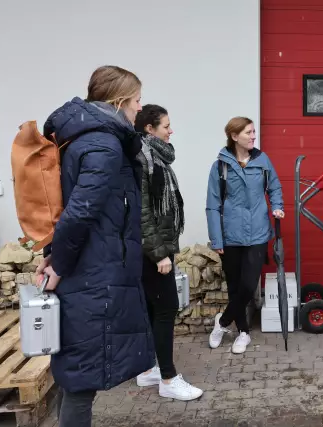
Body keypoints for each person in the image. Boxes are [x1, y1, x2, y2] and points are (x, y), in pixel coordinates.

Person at [36, 65, 155, 427]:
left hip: (91, 268)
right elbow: (81, 210)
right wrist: (58, 263)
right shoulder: (102, 143)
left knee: (76, 378)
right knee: (81, 381)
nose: (139, 108)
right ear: (118, 102)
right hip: (93, 275)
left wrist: (56, 256)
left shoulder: (85, 137)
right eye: (136, 101)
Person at [133, 105, 202, 400]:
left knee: (152, 309)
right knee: (165, 309)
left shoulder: (155, 155)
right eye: (166, 126)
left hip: (157, 247)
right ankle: (168, 379)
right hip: (153, 250)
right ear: (150, 128)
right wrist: (160, 253)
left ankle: (148, 369)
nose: (170, 131)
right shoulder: (142, 158)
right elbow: (143, 211)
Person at [206, 117, 284, 354]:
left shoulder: (262, 161)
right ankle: (243, 332)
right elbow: (212, 205)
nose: (253, 136)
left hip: (258, 232)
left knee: (249, 285)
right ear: (234, 136)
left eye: (254, 132)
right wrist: (217, 239)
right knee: (235, 286)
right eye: (248, 132)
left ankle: (221, 322)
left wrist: (277, 205)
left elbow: (275, 187)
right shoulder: (220, 166)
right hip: (230, 235)